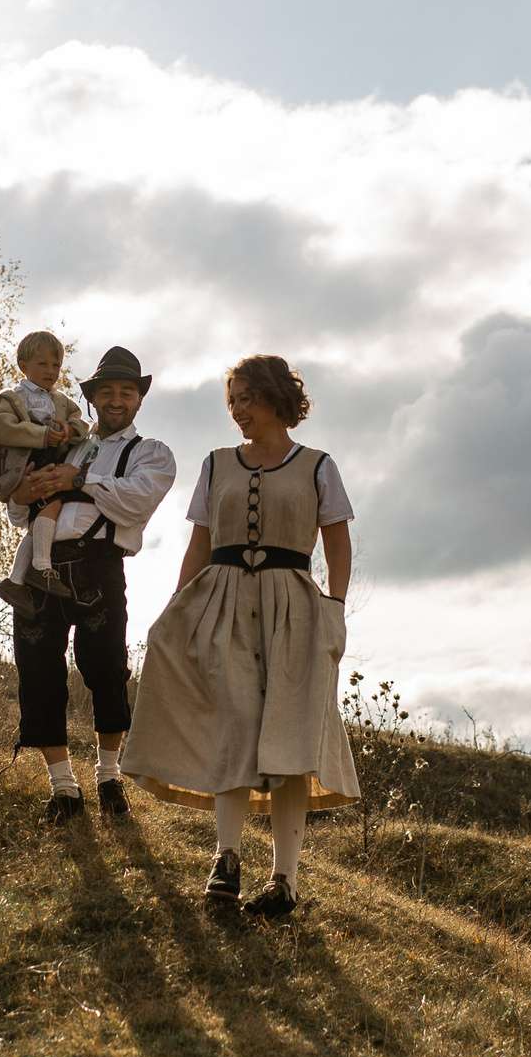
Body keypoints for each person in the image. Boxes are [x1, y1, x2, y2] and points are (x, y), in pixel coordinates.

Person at [123, 354, 360, 917]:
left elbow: (338, 544)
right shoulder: (215, 464)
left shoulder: (319, 466)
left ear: (277, 398)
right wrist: (178, 608)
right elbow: (200, 543)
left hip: (294, 606)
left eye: (246, 399)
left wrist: (335, 610)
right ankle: (225, 860)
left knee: (289, 738)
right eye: (232, 402)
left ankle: (285, 881)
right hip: (223, 599)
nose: (238, 412)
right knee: (234, 721)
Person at [1, 345, 177, 825]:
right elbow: (20, 510)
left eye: (125, 391)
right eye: (106, 392)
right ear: (93, 398)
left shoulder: (152, 453)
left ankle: (108, 777)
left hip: (99, 564)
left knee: (104, 669)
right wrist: (26, 490)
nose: (116, 400)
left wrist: (75, 480)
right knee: (37, 671)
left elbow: (135, 504)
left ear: (139, 399)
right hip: (43, 564)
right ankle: (63, 787)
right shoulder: (65, 441)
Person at [0, 331, 92, 608]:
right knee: (55, 503)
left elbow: (81, 426)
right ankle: (41, 567)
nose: (50, 371)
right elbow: (0, 429)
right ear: (23, 366)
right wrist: (41, 435)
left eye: (56, 365)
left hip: (50, 457)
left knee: (37, 521)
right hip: (27, 460)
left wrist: (68, 430)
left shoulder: (61, 401)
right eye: (42, 364)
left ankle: (15, 580)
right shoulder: (12, 398)